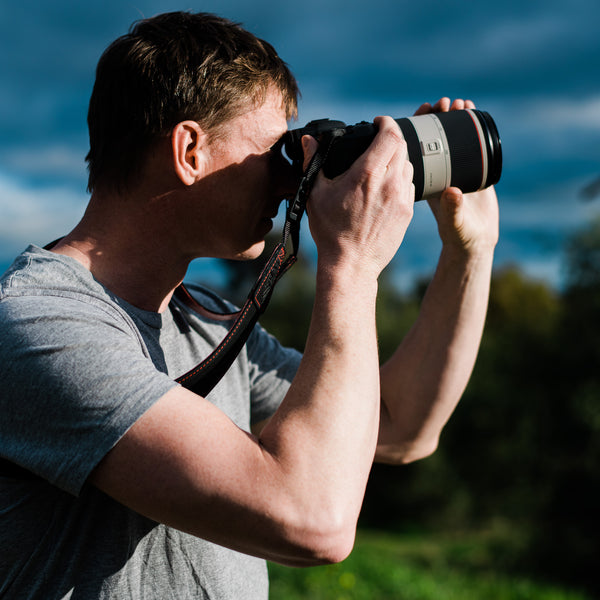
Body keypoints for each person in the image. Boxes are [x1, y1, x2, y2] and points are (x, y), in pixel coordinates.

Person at [0, 10, 499, 600]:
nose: (291, 183)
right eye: (275, 152)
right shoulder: (40, 326)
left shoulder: (210, 325)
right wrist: (354, 264)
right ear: (190, 150)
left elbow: (398, 425)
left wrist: (469, 252)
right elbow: (314, 521)